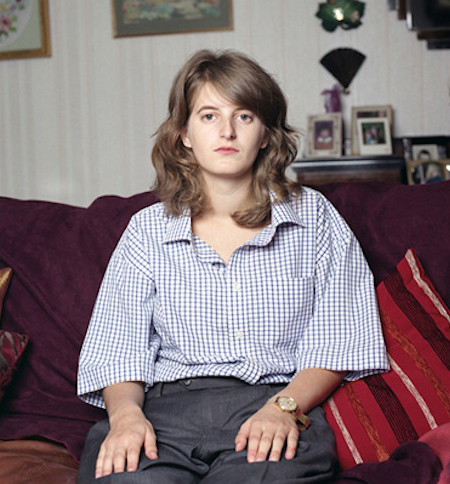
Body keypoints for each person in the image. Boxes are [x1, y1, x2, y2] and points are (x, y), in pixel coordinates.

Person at [77, 49, 389, 484]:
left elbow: (339, 341)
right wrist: (127, 417)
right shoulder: (146, 231)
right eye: (209, 116)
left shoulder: (314, 217)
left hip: (274, 405)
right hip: (163, 411)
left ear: (265, 135)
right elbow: (117, 350)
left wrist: (284, 409)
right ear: (184, 133)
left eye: (244, 116)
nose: (226, 131)